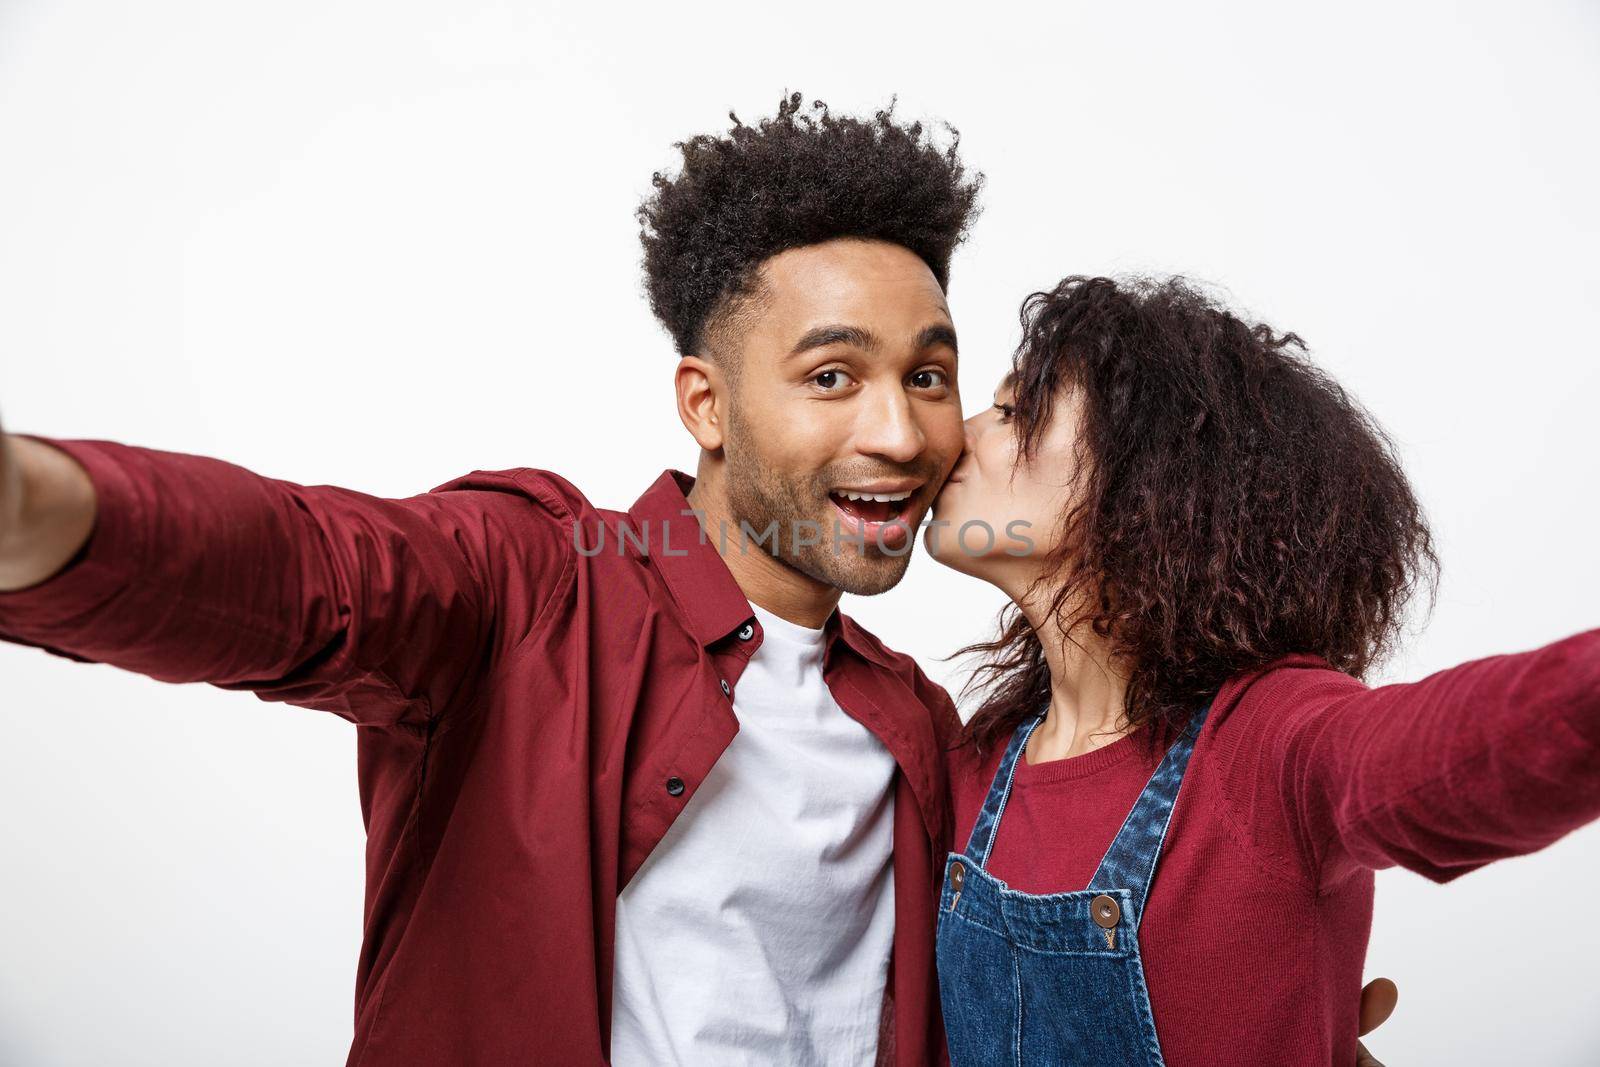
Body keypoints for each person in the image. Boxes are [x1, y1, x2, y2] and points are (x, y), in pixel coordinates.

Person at [0, 94, 1392, 1064]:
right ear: (707, 402)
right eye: (831, 374)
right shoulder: (531, 587)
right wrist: (33, 500)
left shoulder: (922, 732)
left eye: (929, 374)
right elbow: (297, 567)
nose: (902, 432)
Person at [925, 274, 1599, 1066]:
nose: (950, 436)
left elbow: (1461, 746)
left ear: (1150, 479)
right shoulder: (975, 759)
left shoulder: (1268, 741)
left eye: (1015, 411)